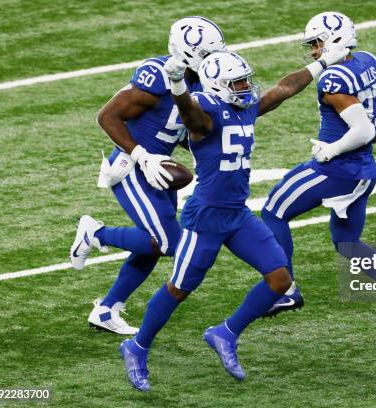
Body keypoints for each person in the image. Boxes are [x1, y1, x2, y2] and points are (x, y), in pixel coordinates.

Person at [119, 44, 350, 391]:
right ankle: (137, 347)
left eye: (245, 81)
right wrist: (180, 87)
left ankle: (225, 332)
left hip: (238, 214)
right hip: (206, 218)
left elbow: (284, 89)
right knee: (179, 289)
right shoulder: (204, 114)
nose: (246, 88)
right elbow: (192, 119)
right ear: (216, 86)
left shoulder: (243, 106)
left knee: (280, 279)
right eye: (238, 83)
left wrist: (326, 61)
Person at [260, 12, 376, 340]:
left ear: (334, 40)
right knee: (347, 242)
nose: (314, 51)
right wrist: (357, 150)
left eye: (317, 44)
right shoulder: (367, 61)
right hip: (364, 170)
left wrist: (334, 150)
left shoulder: (334, 80)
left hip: (335, 170)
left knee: (273, 210)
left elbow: (360, 129)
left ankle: (285, 290)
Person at [69, 17, 226, 335]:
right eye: (208, 54)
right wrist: (142, 155)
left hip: (158, 169)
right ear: (188, 53)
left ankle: (107, 309)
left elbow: (173, 128)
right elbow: (107, 116)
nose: (213, 60)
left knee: (156, 242)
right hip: (132, 167)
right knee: (168, 242)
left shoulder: (197, 82)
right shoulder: (157, 74)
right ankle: (94, 234)